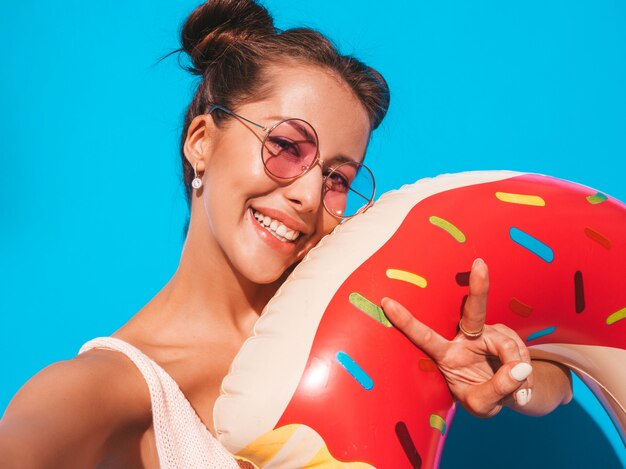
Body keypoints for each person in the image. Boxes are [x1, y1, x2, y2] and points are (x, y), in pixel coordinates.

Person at [0, 0, 573, 467]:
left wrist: (504, 384)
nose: (306, 193)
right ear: (202, 141)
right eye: (286, 147)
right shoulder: (110, 391)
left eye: (337, 177)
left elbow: (560, 379)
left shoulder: (362, 326)